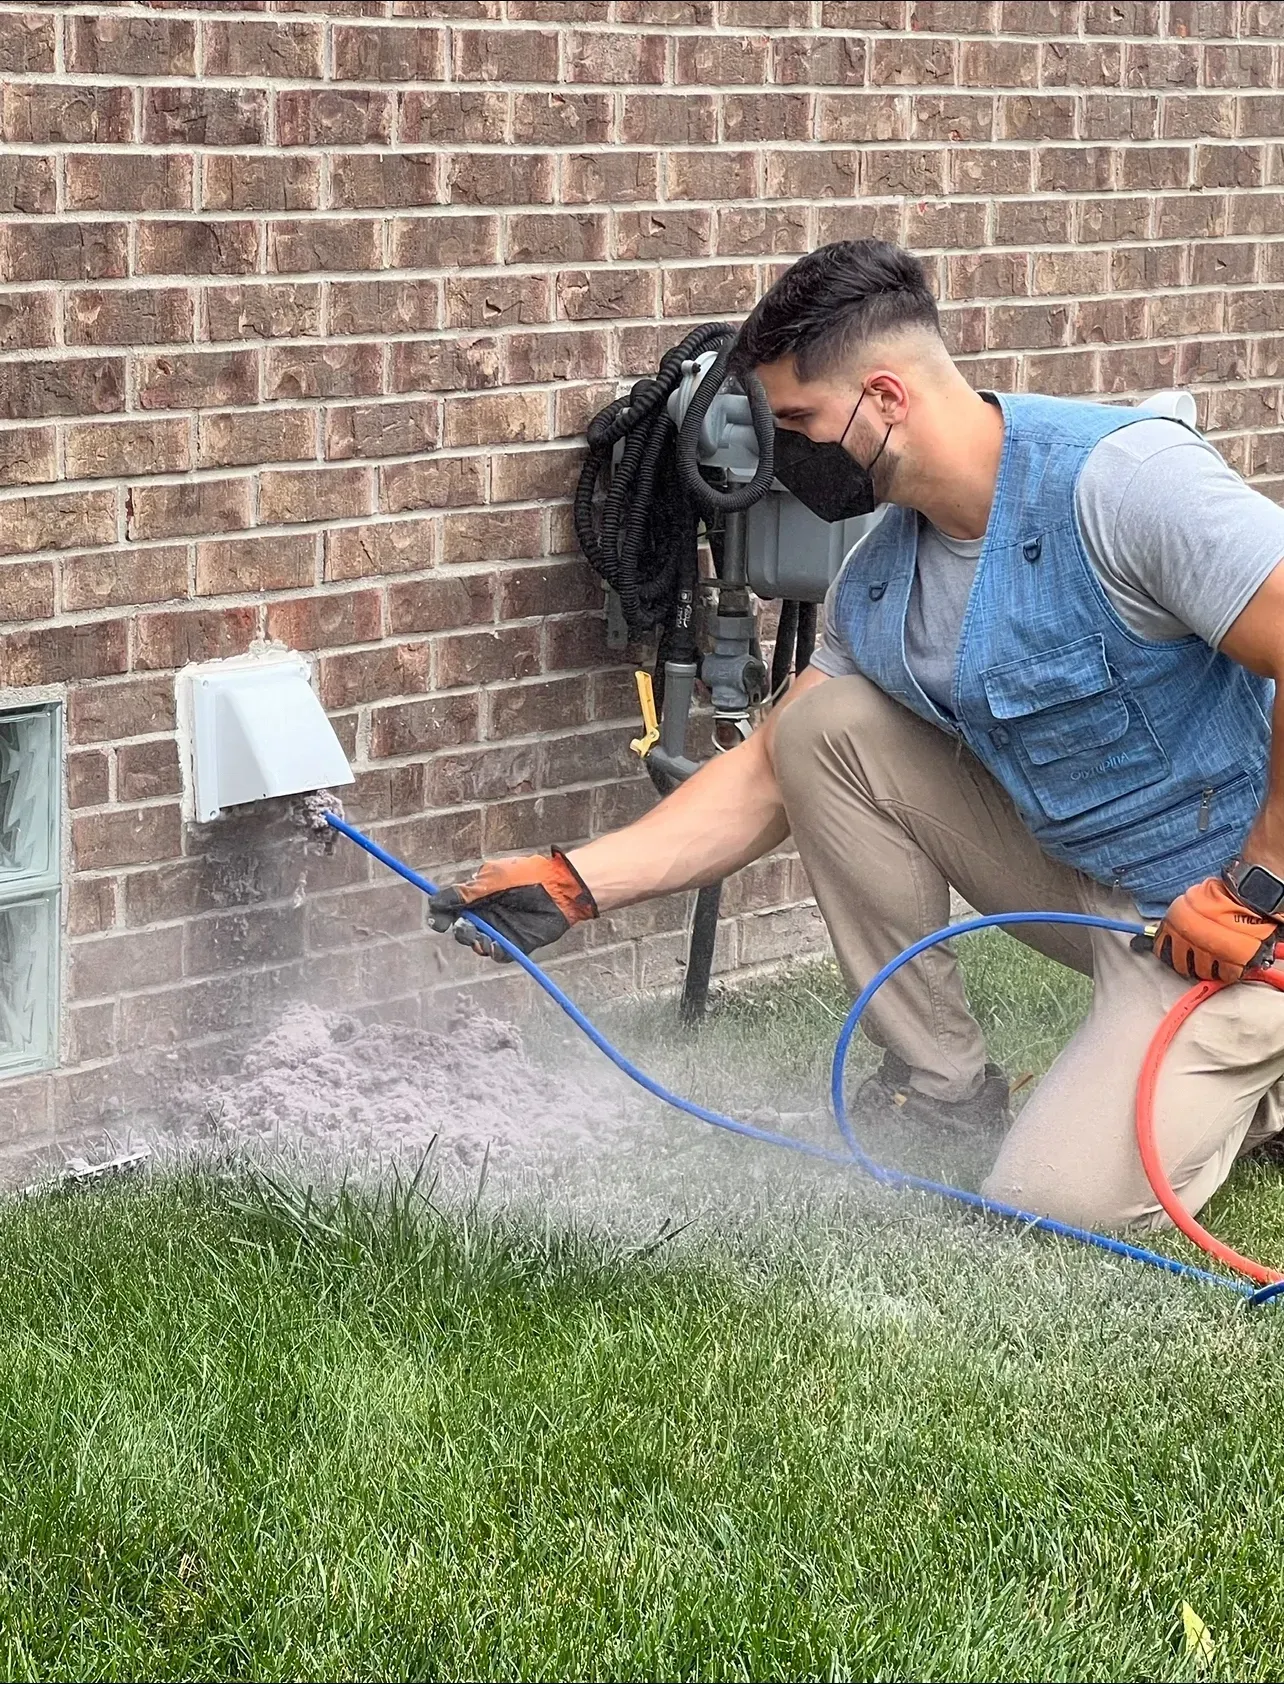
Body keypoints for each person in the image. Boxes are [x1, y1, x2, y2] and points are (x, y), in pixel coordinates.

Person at [428, 239, 1284, 1231]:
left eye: (798, 422)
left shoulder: (1121, 483)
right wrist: (574, 883)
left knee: (1050, 1204)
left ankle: (1255, 1074)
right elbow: (767, 771)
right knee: (821, 728)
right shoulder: (880, 581)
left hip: (1244, 915)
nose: (785, 456)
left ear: (883, 398)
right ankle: (942, 1085)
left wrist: (1262, 878)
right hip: (1107, 895)